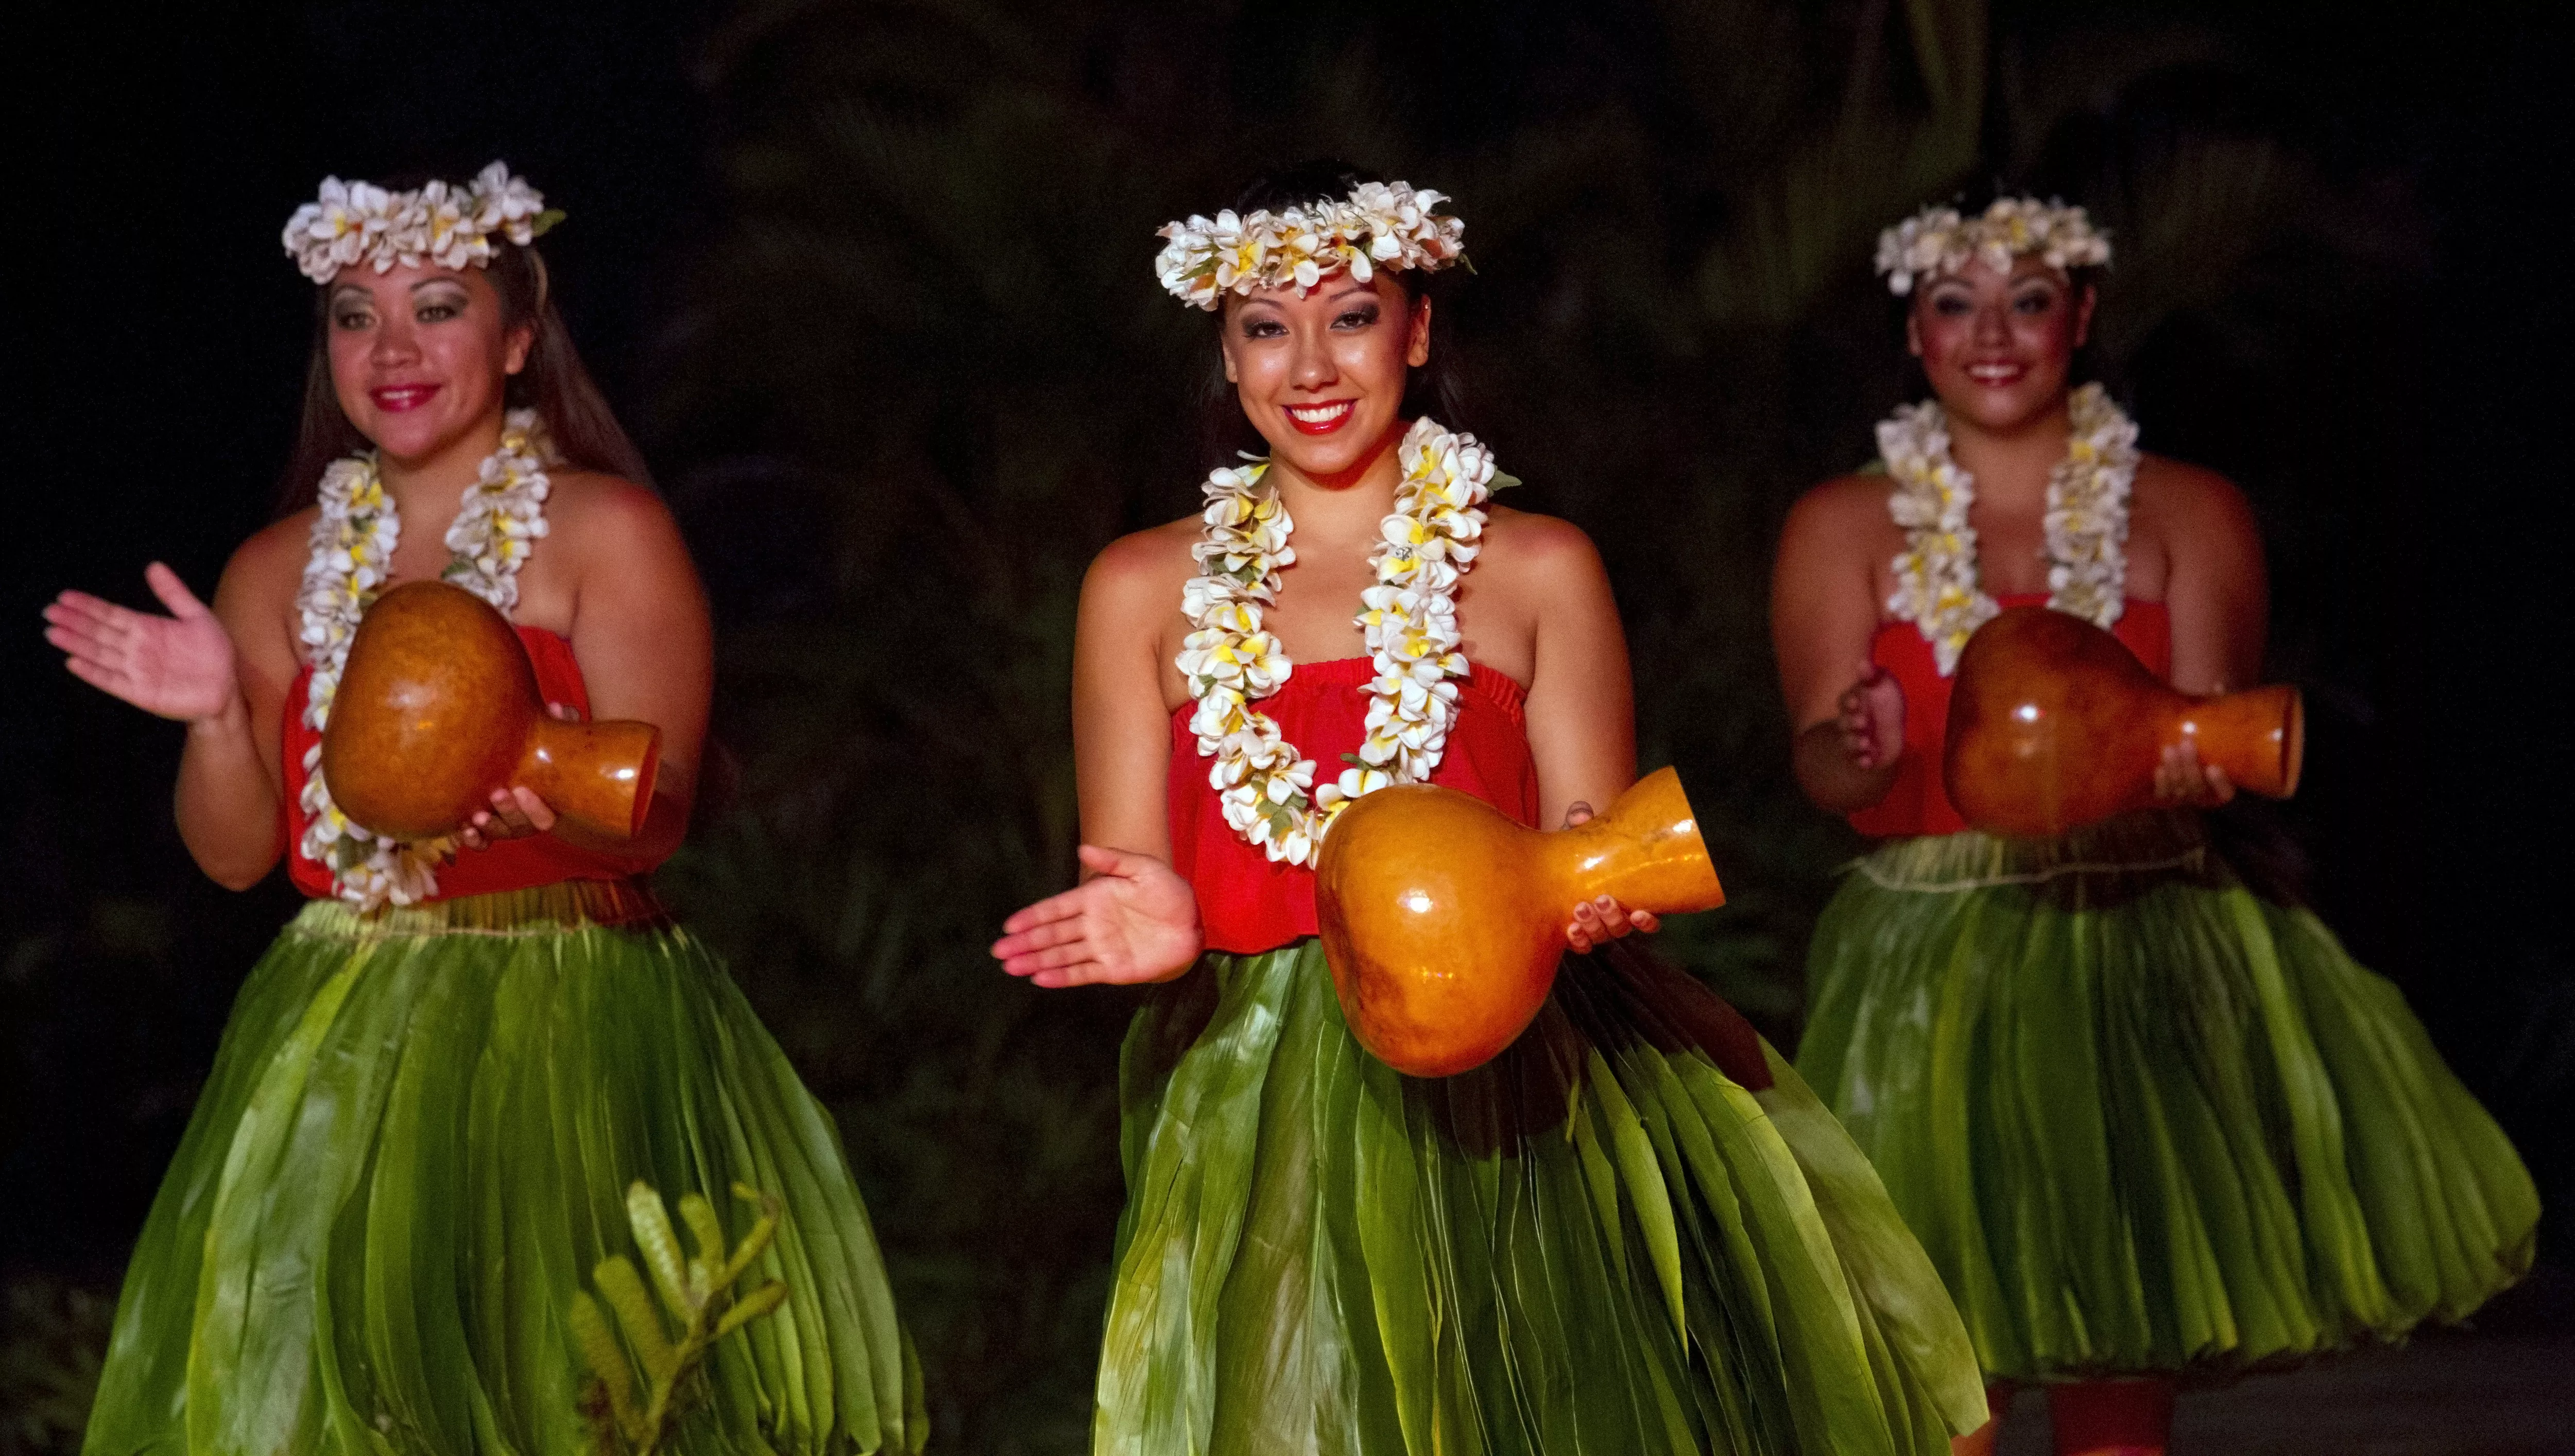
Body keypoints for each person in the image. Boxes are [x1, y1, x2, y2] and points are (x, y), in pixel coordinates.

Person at [991, 160, 1987, 1455]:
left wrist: (1594, 894)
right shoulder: (1137, 587)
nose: (1310, 364)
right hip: (1263, 1088)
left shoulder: (1532, 566)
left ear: (1415, 329)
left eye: (1350, 316)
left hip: (1521, 1073)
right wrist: (1162, 918)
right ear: (1226, 359)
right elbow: (1129, 863)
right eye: (1264, 327)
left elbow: (1593, 840)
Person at [48, 163, 922, 1454]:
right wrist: (218, 717)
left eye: (438, 307)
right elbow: (236, 859)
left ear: (518, 337)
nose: (391, 349)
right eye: (355, 315)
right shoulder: (275, 567)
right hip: (342, 1041)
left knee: (574, 1400)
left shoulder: (601, 531)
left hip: (574, 1010)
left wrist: (548, 776)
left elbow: (659, 806)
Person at [1773, 195, 2538, 1456]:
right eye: (1954, 304)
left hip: (2131, 941)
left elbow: (2209, 736)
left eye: (2027, 300)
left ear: (2080, 315)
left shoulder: (2188, 510)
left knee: (2119, 1361)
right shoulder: (1841, 525)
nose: (1994, 334)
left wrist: (2193, 761)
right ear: (1913, 334)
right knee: (1930, 1371)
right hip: (1926, 965)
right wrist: (1856, 751)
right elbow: (1819, 761)